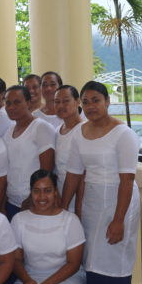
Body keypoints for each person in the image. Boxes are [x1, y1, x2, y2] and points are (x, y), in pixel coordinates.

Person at [60, 81, 140, 284]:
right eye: (86, 101)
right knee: (91, 266)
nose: (91, 106)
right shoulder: (79, 133)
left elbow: (127, 179)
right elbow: (72, 175)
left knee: (112, 269)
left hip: (120, 202)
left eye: (96, 100)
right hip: (92, 202)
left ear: (107, 101)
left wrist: (118, 221)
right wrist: (63, 209)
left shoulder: (123, 134)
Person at [9, 170, 85, 284]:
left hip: (66, 280)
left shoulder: (70, 220)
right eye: (36, 191)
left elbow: (74, 263)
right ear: (31, 192)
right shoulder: (19, 220)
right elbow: (15, 259)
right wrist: (27, 280)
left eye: (47, 190)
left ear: (55, 192)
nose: (42, 196)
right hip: (29, 277)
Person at [3, 85, 56, 220]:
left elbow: (47, 169)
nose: (11, 107)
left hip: (35, 203)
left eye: (17, 102)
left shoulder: (41, 128)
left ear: (28, 102)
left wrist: (31, 199)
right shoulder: (9, 132)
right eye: (8, 103)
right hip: (12, 202)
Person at [53, 85, 84, 213]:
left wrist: (76, 208)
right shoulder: (57, 131)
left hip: (78, 200)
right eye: (57, 102)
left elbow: (82, 175)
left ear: (77, 102)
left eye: (66, 101)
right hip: (60, 197)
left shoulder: (84, 131)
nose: (61, 106)